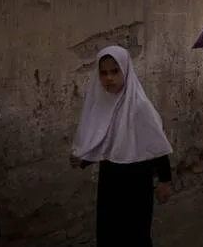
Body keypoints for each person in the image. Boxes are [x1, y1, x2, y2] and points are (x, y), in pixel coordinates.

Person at [70, 45, 174, 247]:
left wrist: (165, 180)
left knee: (136, 235)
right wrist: (82, 159)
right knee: (109, 233)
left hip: (137, 179)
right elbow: (102, 142)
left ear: (126, 70)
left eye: (115, 71)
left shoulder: (139, 106)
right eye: (104, 73)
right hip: (110, 177)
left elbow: (156, 144)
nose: (109, 78)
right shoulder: (102, 105)